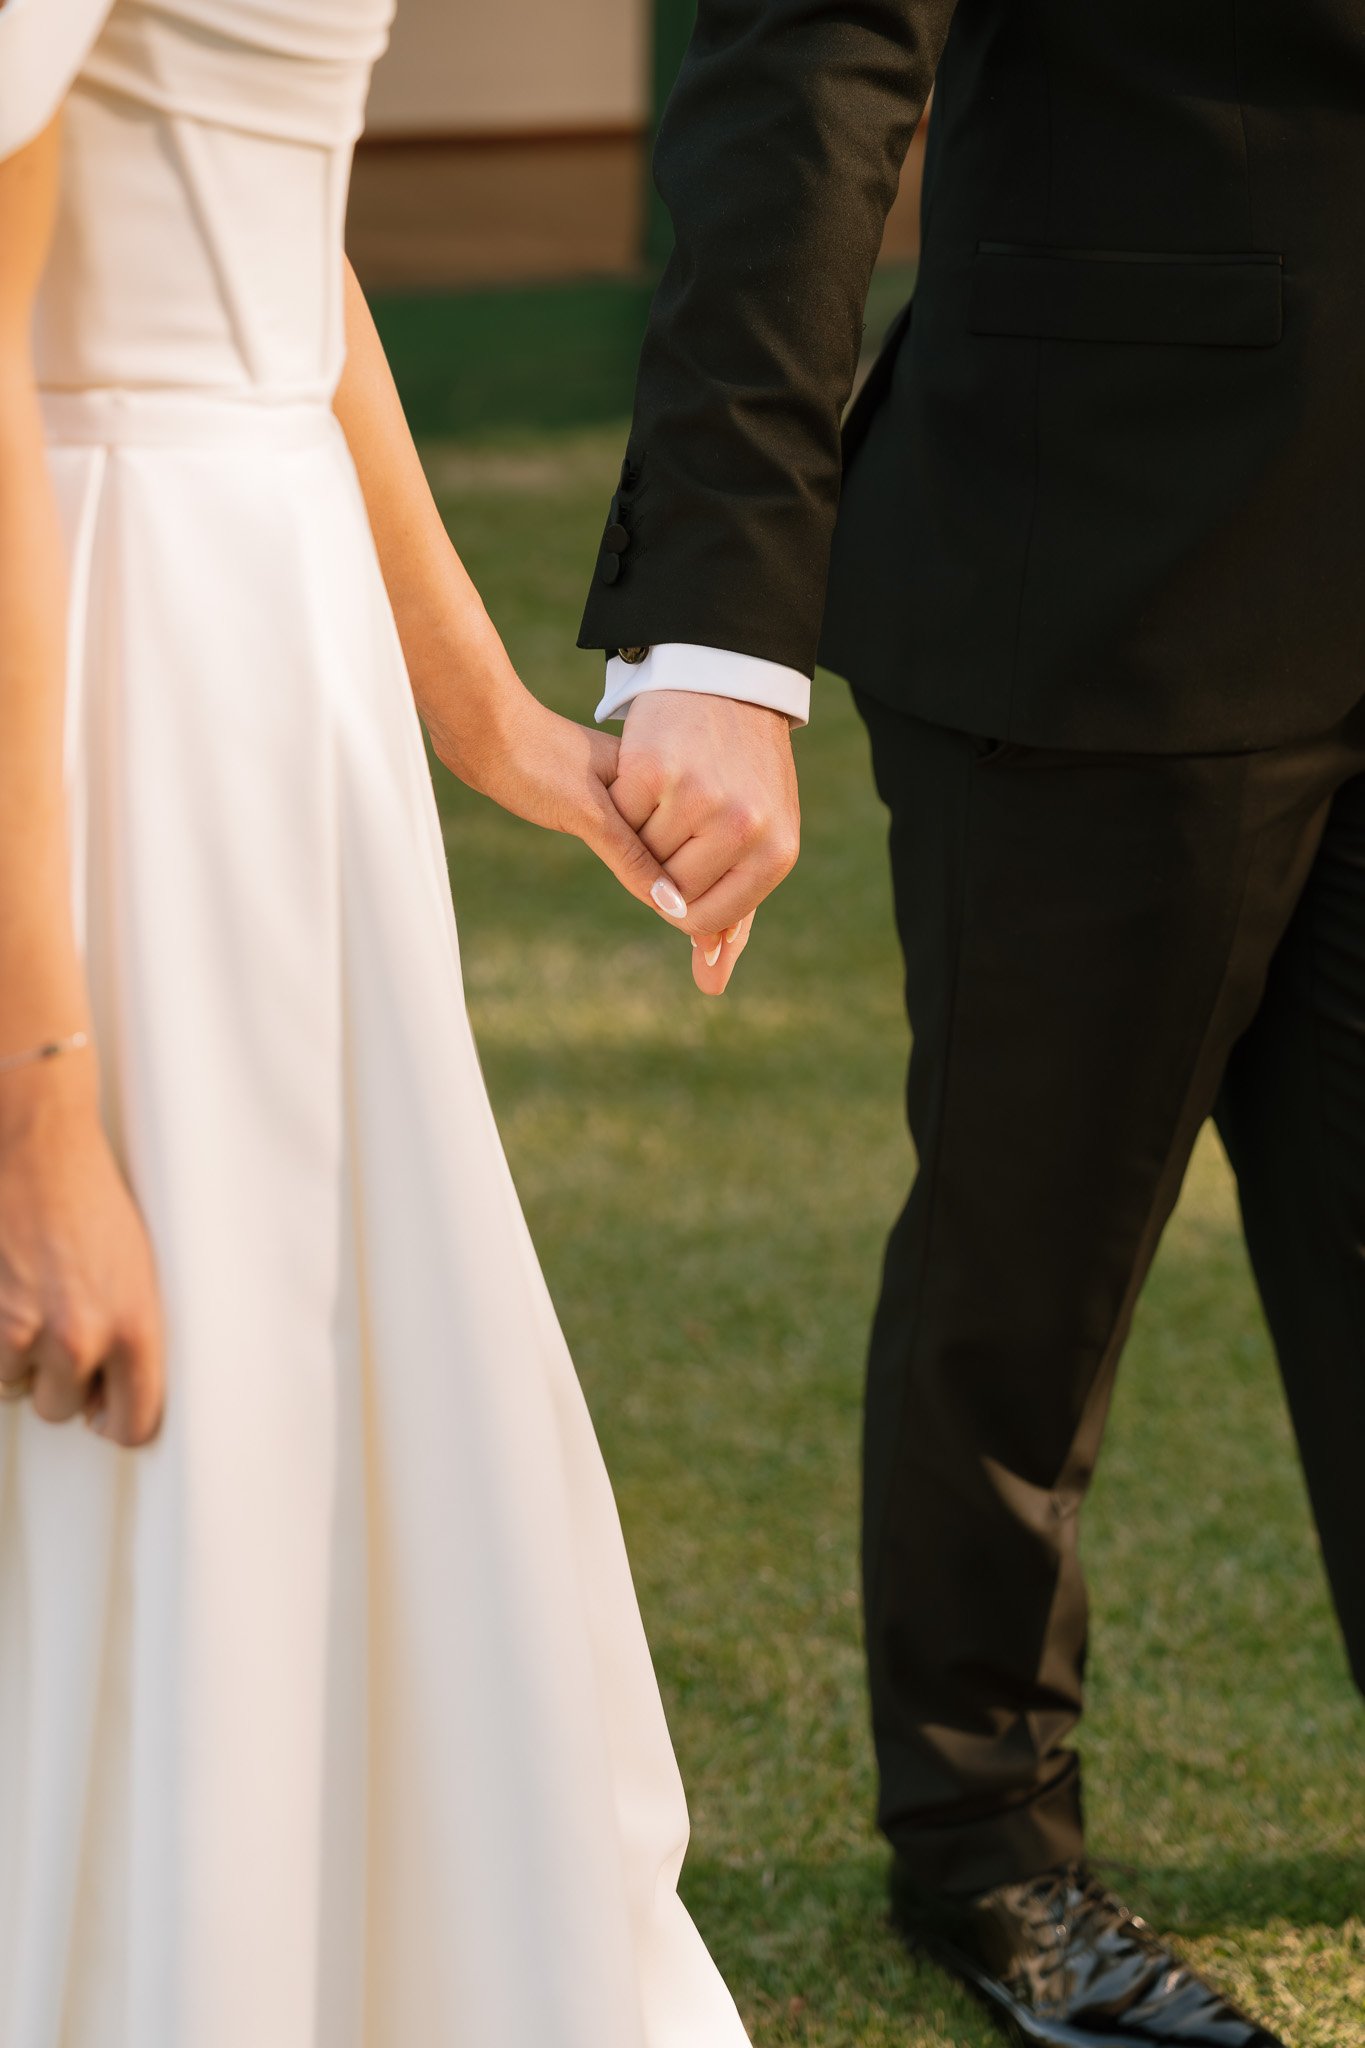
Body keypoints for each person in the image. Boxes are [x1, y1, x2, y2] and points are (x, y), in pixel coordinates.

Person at [580, 4, 1365, 2044]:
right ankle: (984, 1844)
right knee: (1026, 1269)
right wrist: (721, 621)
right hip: (1089, 546)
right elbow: (806, 50)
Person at [0, 5, 753, 2044]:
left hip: (267, 625)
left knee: (319, 1378)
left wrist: (481, 713)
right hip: (106, 641)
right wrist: (42, 1104)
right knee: (152, 1429)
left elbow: (274, 235)